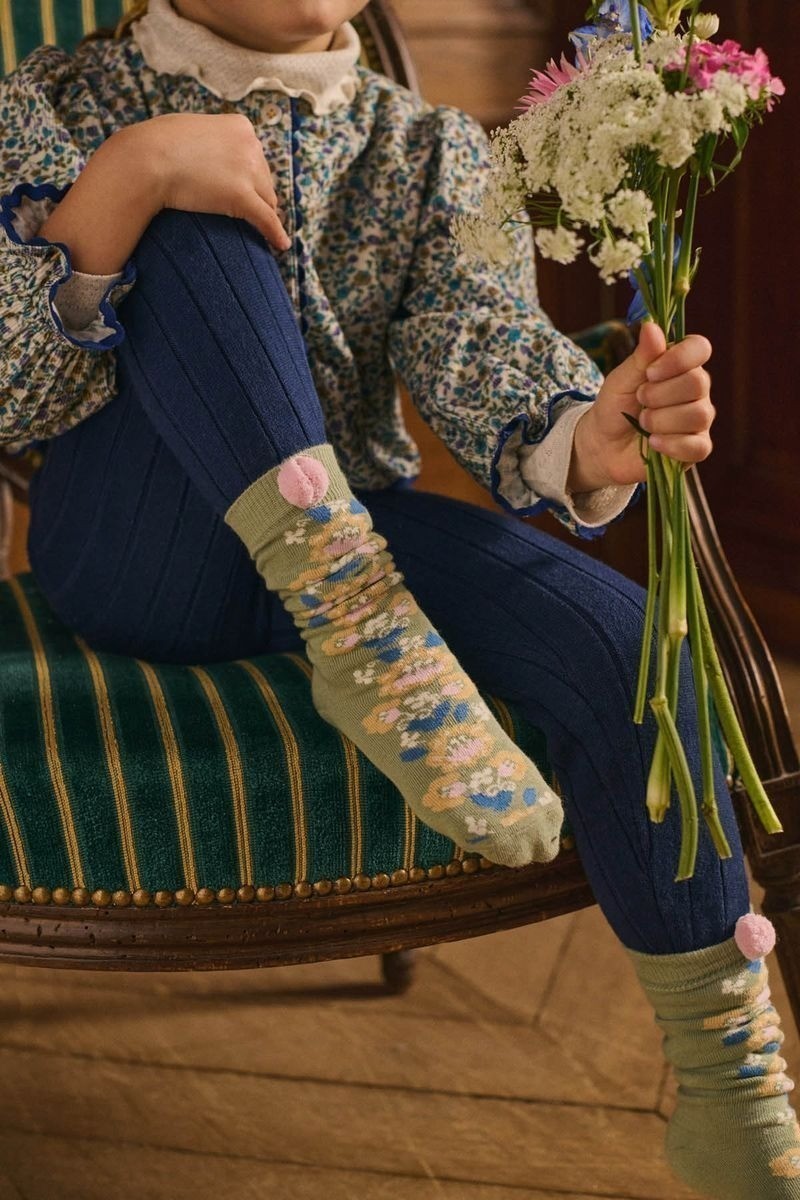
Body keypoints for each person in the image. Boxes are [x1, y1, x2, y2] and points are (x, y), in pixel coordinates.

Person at [0, 1, 796, 1194]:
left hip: (353, 540)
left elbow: (481, 351)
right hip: (139, 549)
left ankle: (731, 1085)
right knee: (193, 197)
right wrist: (131, 177)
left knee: (626, 643)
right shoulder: (50, 104)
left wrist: (590, 438)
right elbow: (13, 393)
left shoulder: (430, 148)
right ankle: (364, 625)